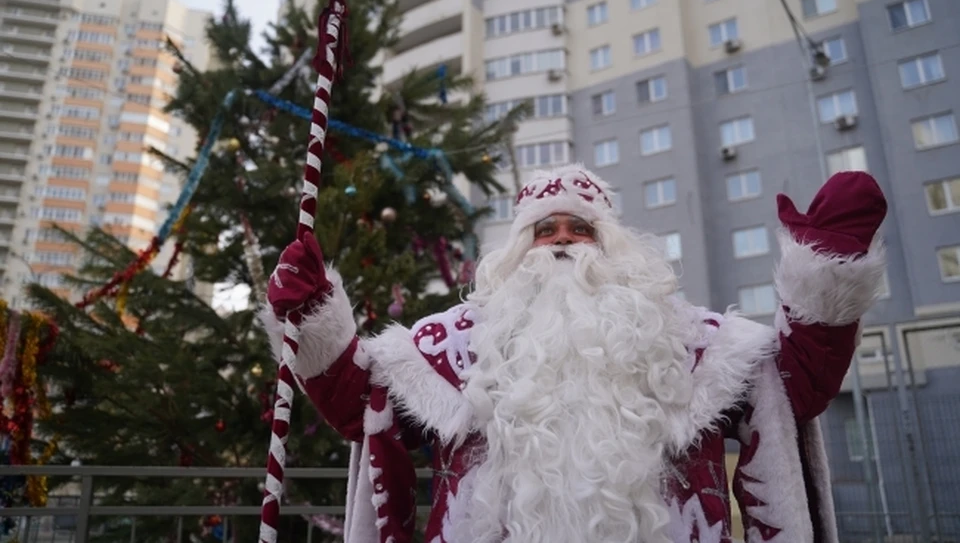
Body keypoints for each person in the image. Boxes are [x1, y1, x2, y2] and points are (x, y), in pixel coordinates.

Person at [261, 163, 888, 543]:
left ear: (612, 244)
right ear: (516, 252)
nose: (562, 244)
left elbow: (797, 389)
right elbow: (353, 407)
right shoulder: (452, 346)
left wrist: (824, 281)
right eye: (544, 231)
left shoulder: (693, 344)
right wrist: (311, 317)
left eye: (580, 229)